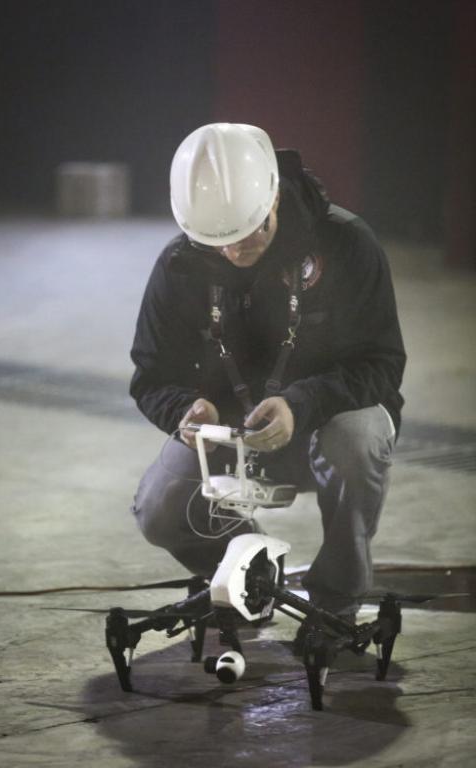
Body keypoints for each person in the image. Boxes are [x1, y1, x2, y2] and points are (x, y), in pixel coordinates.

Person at [130, 123, 406, 619]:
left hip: (325, 420)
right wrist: (186, 411)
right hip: (227, 437)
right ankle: (246, 569)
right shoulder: (180, 262)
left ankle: (337, 597)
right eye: (219, 243)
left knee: (358, 439)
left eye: (247, 234)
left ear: (273, 196)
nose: (234, 252)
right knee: (158, 510)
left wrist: (301, 404)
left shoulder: (346, 244)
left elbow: (382, 365)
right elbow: (150, 374)